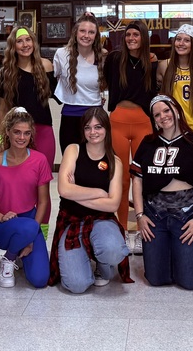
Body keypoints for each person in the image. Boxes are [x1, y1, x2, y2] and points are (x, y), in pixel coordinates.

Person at [130, 95, 193, 290]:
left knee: (190, 282)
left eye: (166, 110)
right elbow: (137, 180)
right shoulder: (148, 143)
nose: (163, 117)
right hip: (154, 213)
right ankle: (171, 251)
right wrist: (140, 215)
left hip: (187, 213)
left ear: (176, 110)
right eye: (157, 115)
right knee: (156, 279)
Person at [49, 107, 132, 293]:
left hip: (102, 220)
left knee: (113, 250)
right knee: (77, 285)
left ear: (106, 129)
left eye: (98, 127)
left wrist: (76, 193)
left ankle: (102, 267)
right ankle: (84, 257)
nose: (93, 132)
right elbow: (63, 189)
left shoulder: (115, 162)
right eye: (88, 128)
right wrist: (99, 192)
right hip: (71, 221)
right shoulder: (73, 150)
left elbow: (113, 204)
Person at [0, 26, 55, 236]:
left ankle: (40, 235)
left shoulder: (45, 67)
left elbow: (69, 85)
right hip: (18, 135)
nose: (25, 44)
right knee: (19, 188)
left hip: (44, 132)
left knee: (42, 188)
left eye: (28, 40)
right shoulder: (6, 73)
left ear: (34, 43)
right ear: (13, 46)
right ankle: (19, 233)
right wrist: (2, 139)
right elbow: (2, 110)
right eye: (20, 41)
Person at [0, 108, 52, 289]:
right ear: (8, 133)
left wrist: (30, 236)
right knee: (26, 227)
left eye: (26, 133)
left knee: (40, 279)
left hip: (30, 222)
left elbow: (43, 201)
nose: (21, 137)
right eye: (17, 132)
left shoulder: (39, 160)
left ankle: (19, 250)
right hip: (2, 225)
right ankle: (9, 258)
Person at [104, 20, 158, 253]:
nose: (131, 38)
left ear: (143, 37)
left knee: (142, 178)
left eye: (136, 34)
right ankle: (122, 230)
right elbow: (107, 81)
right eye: (128, 35)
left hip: (143, 123)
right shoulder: (115, 59)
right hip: (118, 121)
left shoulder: (152, 63)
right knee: (121, 178)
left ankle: (141, 231)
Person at [53, 13, 105, 153]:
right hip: (70, 115)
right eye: (82, 31)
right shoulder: (61, 54)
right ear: (75, 32)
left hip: (95, 115)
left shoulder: (102, 56)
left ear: (96, 36)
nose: (86, 35)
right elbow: (55, 78)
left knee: (94, 161)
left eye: (91, 32)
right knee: (70, 161)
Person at [157, 24, 193, 144]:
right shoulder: (164, 66)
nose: (181, 43)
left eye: (187, 40)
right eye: (178, 39)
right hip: (173, 127)